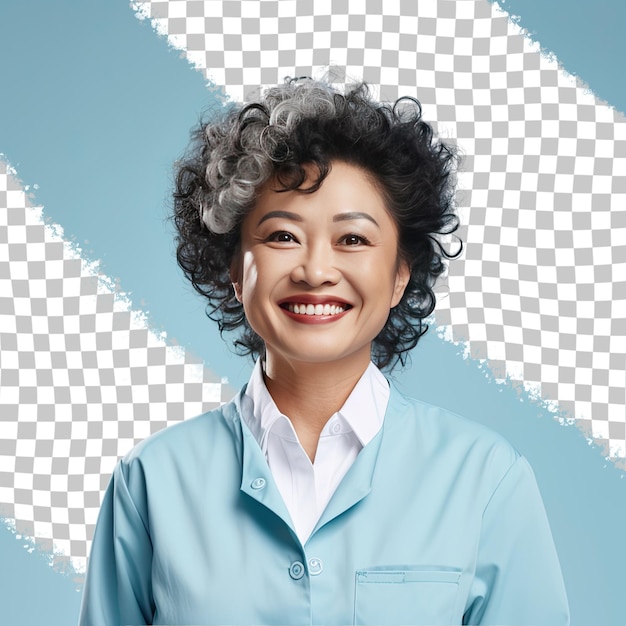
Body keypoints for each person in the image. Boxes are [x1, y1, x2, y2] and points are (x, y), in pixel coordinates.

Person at [78, 78, 569, 625]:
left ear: (401, 273)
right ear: (236, 271)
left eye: (353, 240)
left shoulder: (486, 481)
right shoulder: (151, 483)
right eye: (282, 237)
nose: (314, 270)